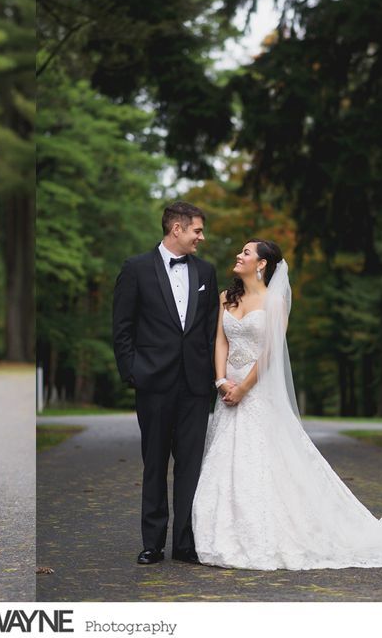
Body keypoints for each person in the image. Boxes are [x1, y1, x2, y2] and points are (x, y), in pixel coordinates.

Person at [191, 239, 382, 569]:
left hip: (255, 391)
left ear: (262, 264)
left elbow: (270, 353)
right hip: (226, 391)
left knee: (263, 462)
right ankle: (220, 536)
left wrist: (244, 389)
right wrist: (221, 381)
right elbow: (221, 341)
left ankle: (266, 534)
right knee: (225, 460)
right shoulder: (226, 297)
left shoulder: (274, 302)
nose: (239, 255)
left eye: (246, 252)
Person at [112, 201, 219, 565]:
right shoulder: (136, 269)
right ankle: (152, 543)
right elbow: (122, 327)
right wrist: (133, 371)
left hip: (195, 385)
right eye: (197, 231)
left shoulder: (206, 271)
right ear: (177, 228)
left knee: (191, 465)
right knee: (154, 463)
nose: (201, 238)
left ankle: (186, 543)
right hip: (153, 383)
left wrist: (210, 377)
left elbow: (208, 330)